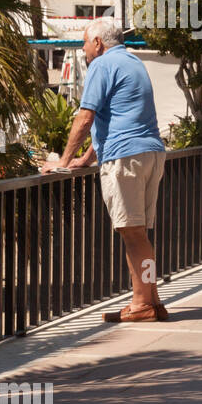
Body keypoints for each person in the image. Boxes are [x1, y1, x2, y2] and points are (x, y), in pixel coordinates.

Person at [42, 19, 168, 323]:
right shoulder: (133, 62)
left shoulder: (102, 64)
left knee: (132, 234)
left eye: (85, 43)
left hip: (125, 158)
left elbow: (85, 118)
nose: (84, 49)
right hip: (151, 153)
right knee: (141, 234)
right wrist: (86, 160)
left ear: (98, 42)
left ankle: (141, 305)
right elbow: (114, 120)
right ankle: (152, 299)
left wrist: (62, 161)